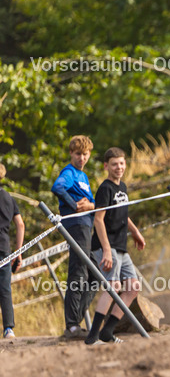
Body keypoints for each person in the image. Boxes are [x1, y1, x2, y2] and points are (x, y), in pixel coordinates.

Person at [86, 147, 146, 345]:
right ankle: (93, 336)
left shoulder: (123, 188)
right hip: (106, 245)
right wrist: (106, 250)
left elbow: (122, 214)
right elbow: (99, 219)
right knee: (113, 286)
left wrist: (135, 232)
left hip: (121, 246)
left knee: (133, 287)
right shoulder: (105, 189)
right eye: (114, 164)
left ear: (125, 164)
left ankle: (107, 331)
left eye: (121, 163)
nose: (118, 167)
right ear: (106, 166)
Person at [51, 135, 96, 340]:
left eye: (85, 154)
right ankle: (71, 326)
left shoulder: (83, 177)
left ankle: (75, 320)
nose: (82, 158)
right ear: (71, 153)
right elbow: (58, 187)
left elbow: (94, 204)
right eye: (78, 154)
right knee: (79, 272)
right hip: (76, 225)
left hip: (87, 226)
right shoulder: (69, 172)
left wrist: (90, 206)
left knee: (95, 273)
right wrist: (74, 205)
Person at [0, 163, 25, 339]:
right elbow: (20, 224)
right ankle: (9, 328)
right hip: (4, 247)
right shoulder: (9, 198)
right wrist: (18, 252)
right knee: (4, 288)